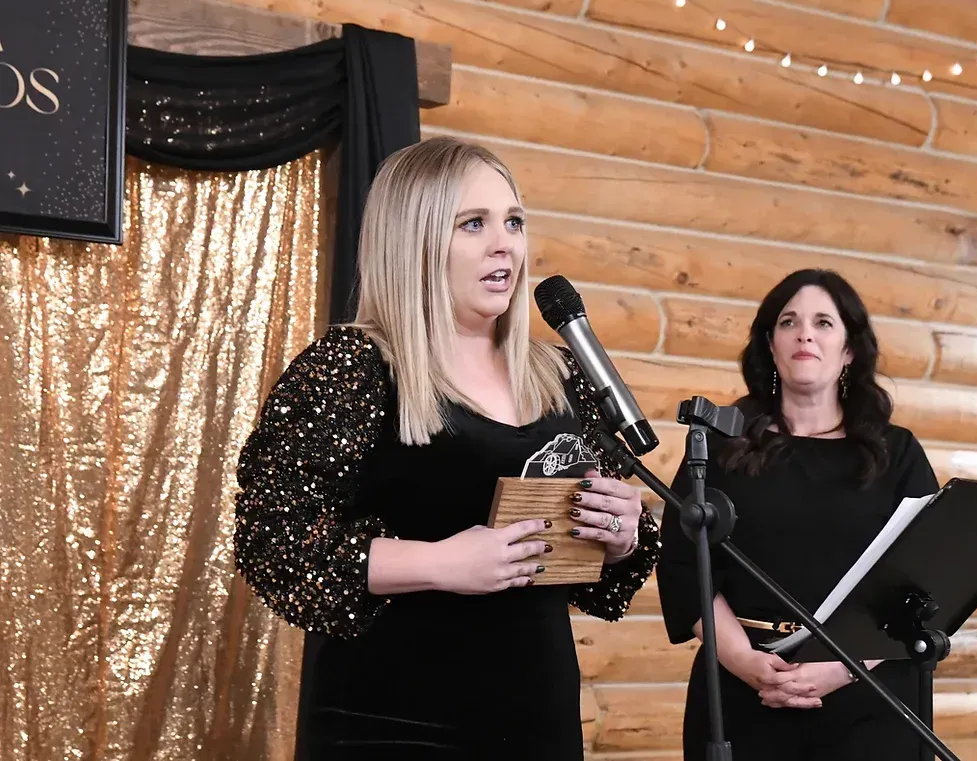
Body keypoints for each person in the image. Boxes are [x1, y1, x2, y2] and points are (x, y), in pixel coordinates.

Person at [233, 135, 660, 761]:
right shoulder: (352, 368)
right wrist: (440, 563)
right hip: (389, 719)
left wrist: (619, 536)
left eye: (514, 222)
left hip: (535, 718)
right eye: (473, 223)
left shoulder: (561, 375)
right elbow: (273, 544)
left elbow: (600, 569)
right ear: (415, 240)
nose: (504, 244)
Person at [657, 269, 939, 760]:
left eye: (823, 323)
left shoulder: (898, 454)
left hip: (871, 698)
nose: (804, 334)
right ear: (770, 345)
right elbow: (685, 566)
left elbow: (927, 577)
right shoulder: (719, 447)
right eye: (789, 322)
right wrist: (746, 662)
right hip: (742, 694)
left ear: (849, 350)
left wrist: (843, 666)